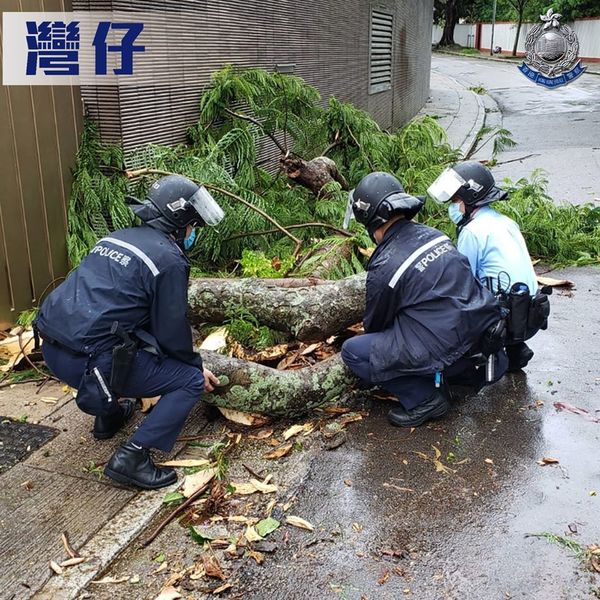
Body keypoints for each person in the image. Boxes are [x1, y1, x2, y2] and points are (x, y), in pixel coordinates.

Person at [34, 175, 224, 490]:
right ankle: (132, 457)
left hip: (52, 352)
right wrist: (194, 365)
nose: (192, 234)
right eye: (192, 226)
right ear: (179, 223)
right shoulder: (169, 260)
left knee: (125, 343)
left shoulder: (115, 238)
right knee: (188, 381)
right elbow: (171, 329)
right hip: (90, 365)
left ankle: (108, 417)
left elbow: (116, 307)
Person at [340, 172, 507, 428]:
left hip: (445, 345)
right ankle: (455, 374)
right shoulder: (434, 234)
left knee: (354, 352)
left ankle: (425, 398)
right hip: (478, 332)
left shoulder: (385, 264)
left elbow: (376, 324)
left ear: (370, 219)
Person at [427, 160, 547, 371]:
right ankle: (515, 349)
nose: (452, 207)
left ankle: (482, 355)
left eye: (454, 200)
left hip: (505, 319)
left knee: (450, 303)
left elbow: (462, 282)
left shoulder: (472, 232)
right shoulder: (506, 221)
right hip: (531, 311)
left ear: (469, 199)